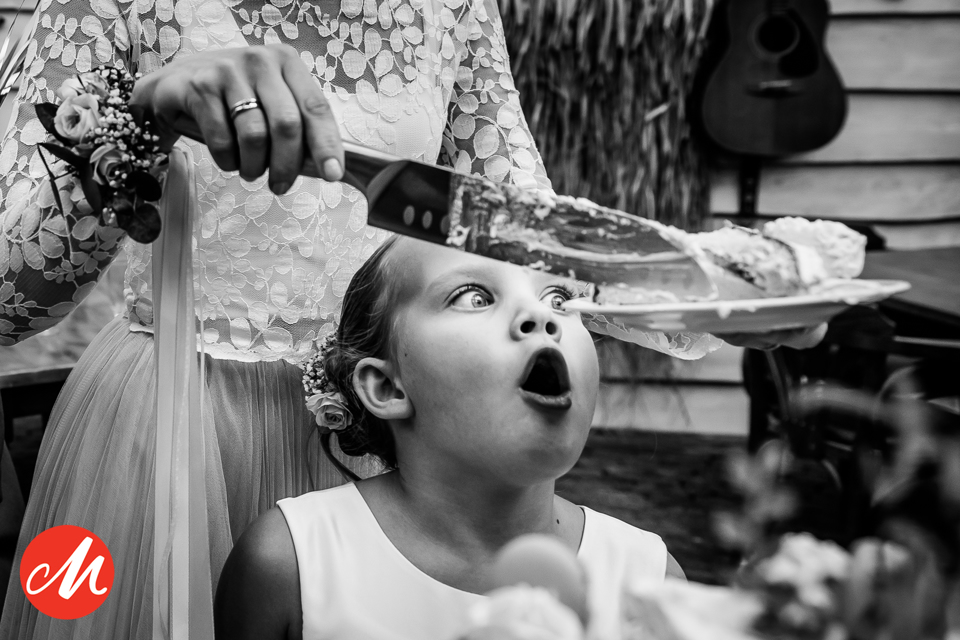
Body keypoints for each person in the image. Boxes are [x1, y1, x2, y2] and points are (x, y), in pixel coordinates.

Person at [0, 1, 554, 637]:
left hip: (383, 431)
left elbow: (523, 235)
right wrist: (139, 124)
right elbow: (7, 297)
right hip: (169, 432)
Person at [213, 235, 686, 640]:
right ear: (388, 387)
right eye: (475, 296)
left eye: (560, 298)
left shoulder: (650, 579)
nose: (542, 316)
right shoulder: (288, 565)